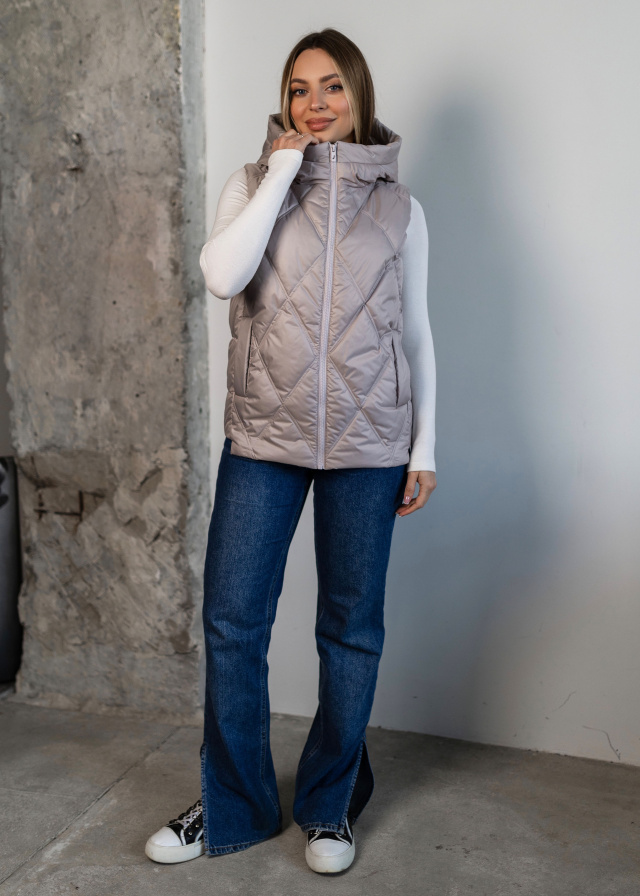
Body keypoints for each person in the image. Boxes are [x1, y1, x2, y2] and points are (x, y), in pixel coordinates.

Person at [145, 27, 436, 875]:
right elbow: (221, 276)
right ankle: (232, 803)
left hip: (369, 444)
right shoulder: (251, 181)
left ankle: (330, 806)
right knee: (233, 622)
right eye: (301, 88)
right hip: (265, 436)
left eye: (333, 85)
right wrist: (281, 171)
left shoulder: (402, 208)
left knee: (351, 631)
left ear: (360, 94)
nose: (316, 102)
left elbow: (416, 332)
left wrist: (426, 447)